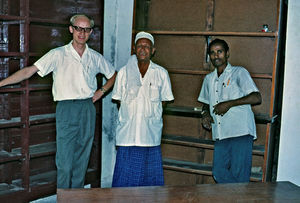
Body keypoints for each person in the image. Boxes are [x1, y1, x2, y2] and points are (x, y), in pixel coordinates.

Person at [0, 14, 116, 188]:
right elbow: (29, 71)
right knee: (65, 162)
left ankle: (76, 199)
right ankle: (64, 197)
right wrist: (1, 83)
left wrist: (101, 92)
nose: (82, 33)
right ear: (71, 29)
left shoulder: (94, 57)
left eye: (86, 29)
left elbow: (113, 75)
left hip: (87, 108)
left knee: (82, 158)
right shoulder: (58, 54)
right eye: (78, 28)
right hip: (66, 108)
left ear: (91, 32)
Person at [111, 31, 174, 187]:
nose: (143, 49)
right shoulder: (124, 73)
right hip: (127, 135)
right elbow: (118, 100)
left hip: (149, 135)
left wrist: (148, 112)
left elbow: (164, 101)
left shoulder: (161, 73)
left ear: (153, 50)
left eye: (147, 46)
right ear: (134, 49)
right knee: (125, 181)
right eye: (139, 46)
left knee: (149, 182)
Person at [198, 38, 262, 183]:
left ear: (227, 54)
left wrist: (230, 104)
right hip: (221, 133)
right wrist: (205, 114)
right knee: (218, 172)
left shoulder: (239, 73)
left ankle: (239, 195)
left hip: (240, 131)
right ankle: (241, 195)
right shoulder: (209, 79)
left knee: (239, 174)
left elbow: (256, 97)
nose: (216, 56)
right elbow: (205, 103)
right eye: (213, 53)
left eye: (219, 51)